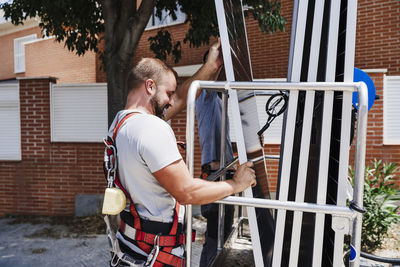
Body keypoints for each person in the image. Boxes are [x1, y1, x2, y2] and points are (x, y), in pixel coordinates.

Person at [106, 40, 256, 267]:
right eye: (168, 93)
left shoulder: (121, 124)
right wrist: (236, 184)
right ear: (149, 86)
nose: (170, 101)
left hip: (132, 246)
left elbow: (181, 99)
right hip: (155, 255)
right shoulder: (151, 128)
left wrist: (211, 66)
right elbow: (187, 192)